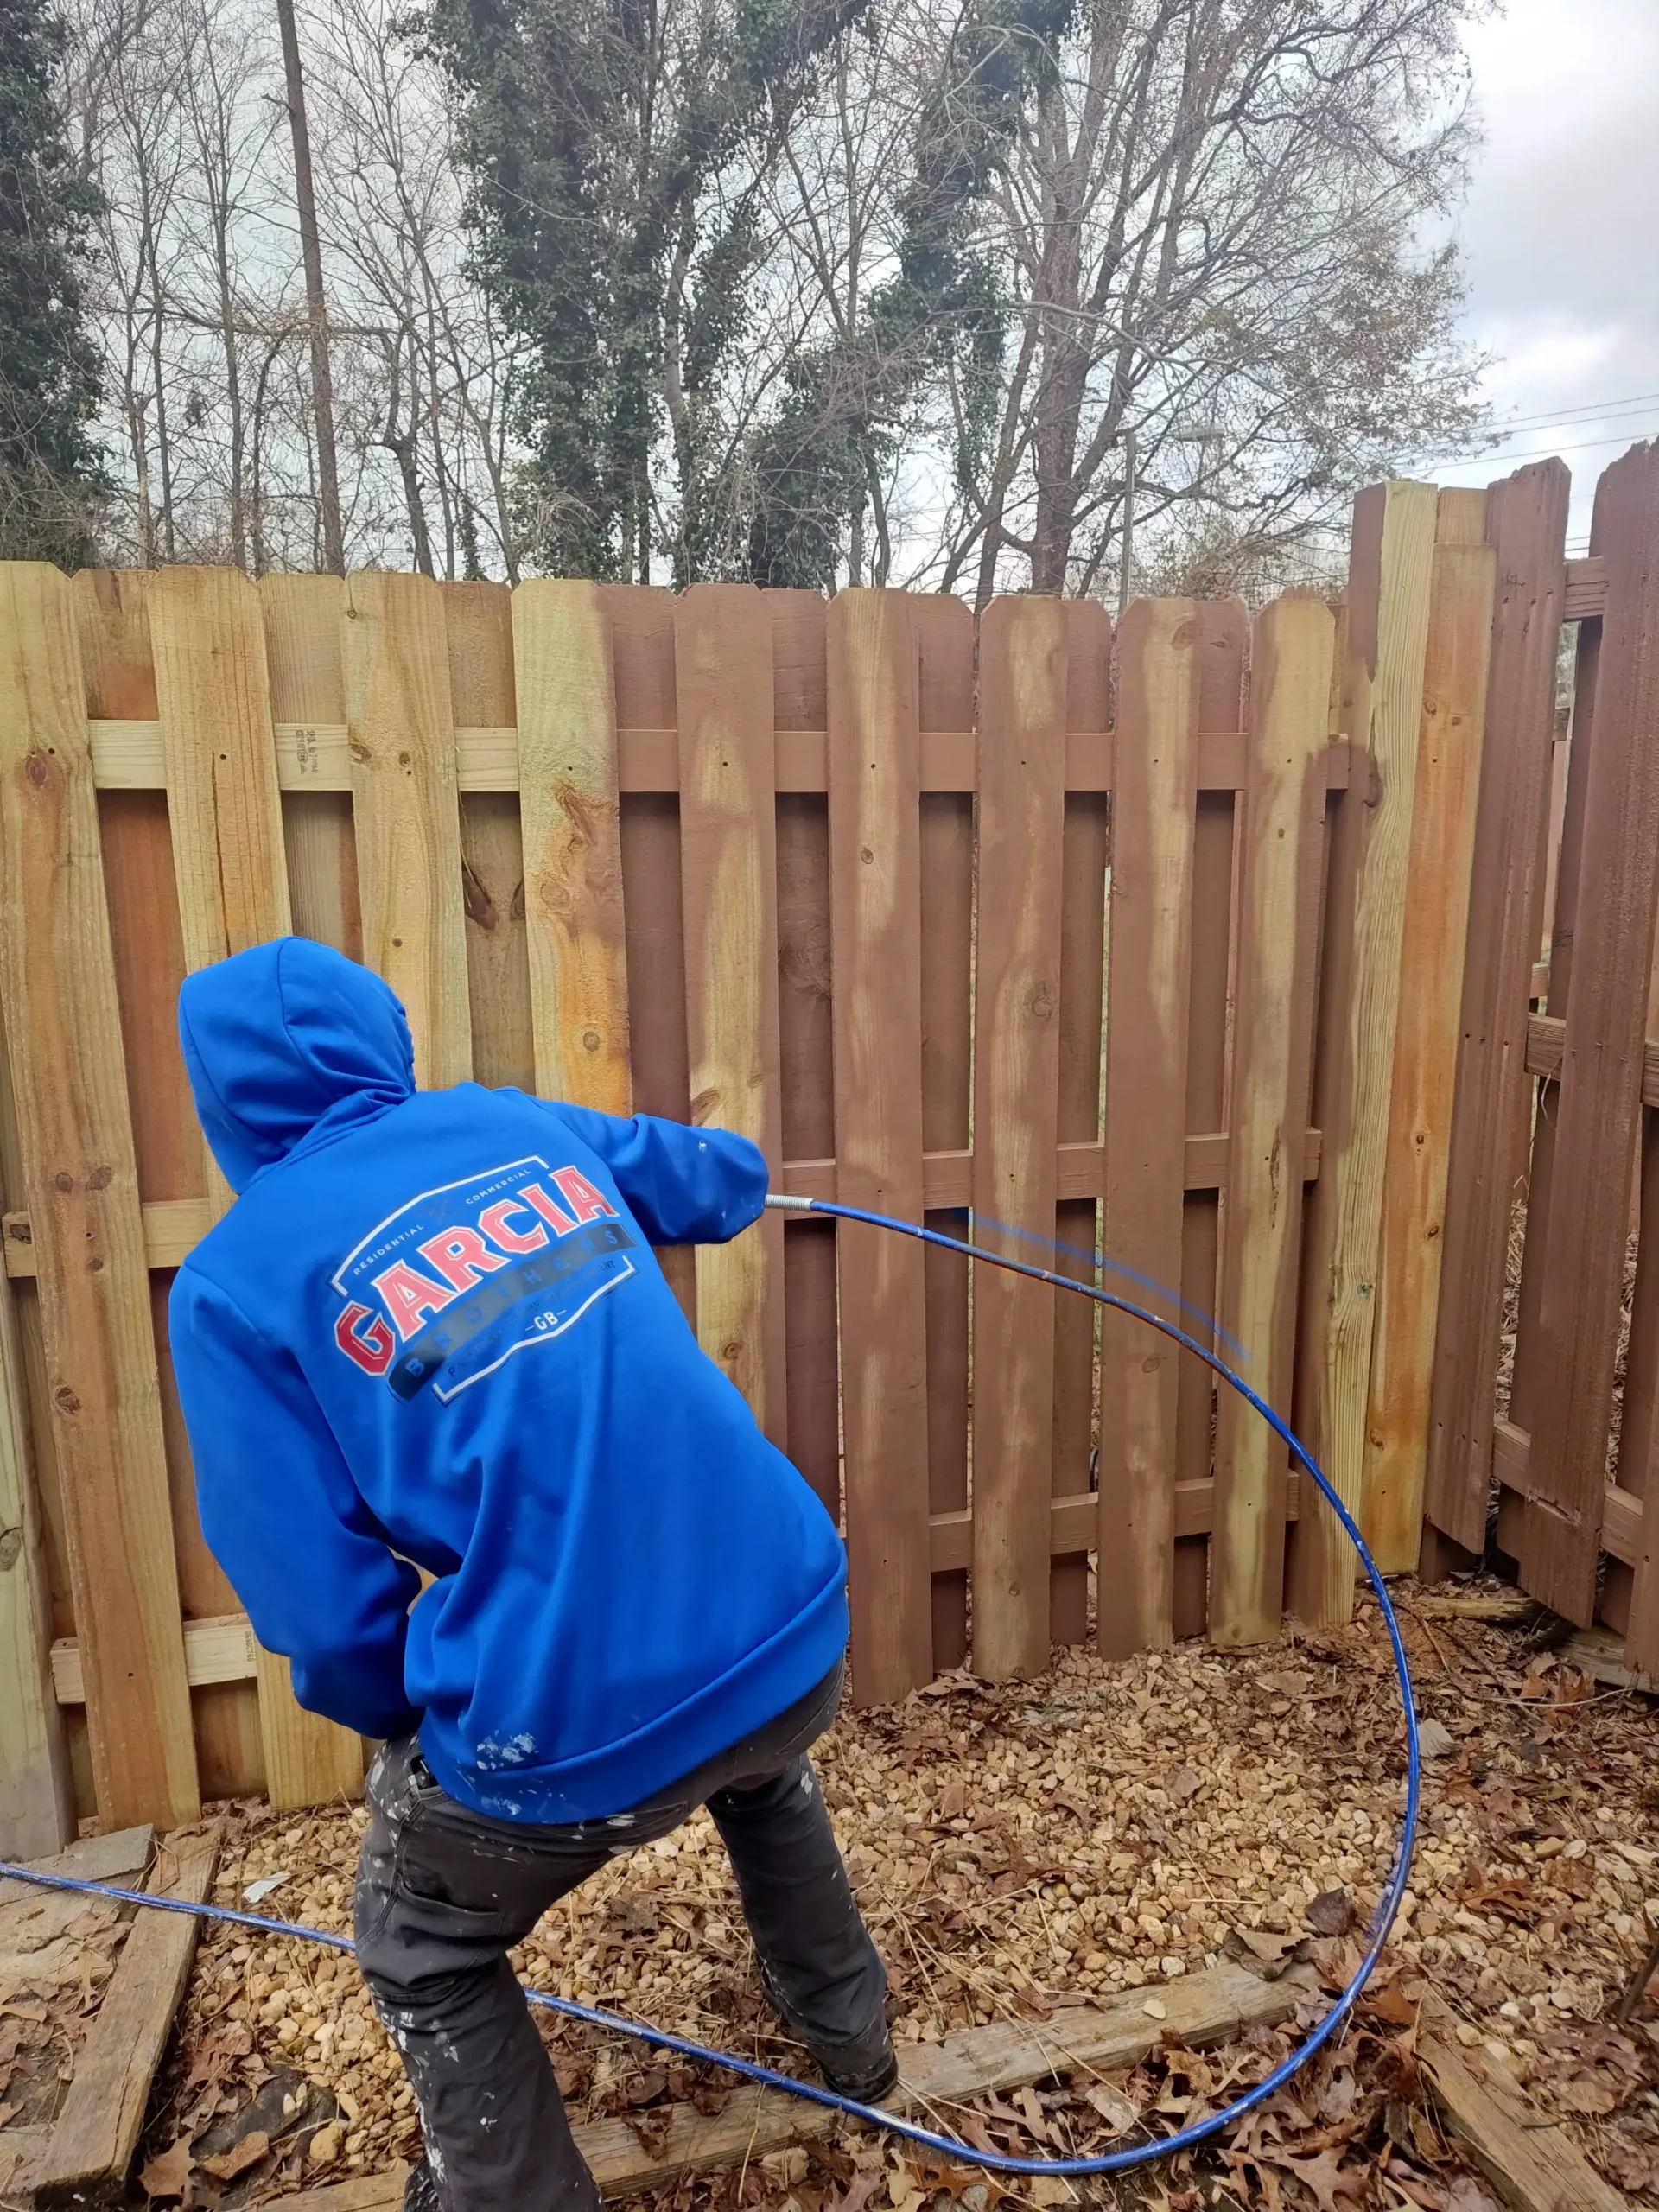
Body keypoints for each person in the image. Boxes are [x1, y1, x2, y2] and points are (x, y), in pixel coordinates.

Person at [167, 937, 894, 2212]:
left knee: (420, 1946)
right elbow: (700, 1179)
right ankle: (859, 2046)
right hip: (789, 1623)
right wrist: (738, 1180)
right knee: (759, 1766)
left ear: (220, 1102)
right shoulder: (502, 1126)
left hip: (592, 1713)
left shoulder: (236, 1280)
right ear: (381, 1040)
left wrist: (409, 1725)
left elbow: (317, 1606)